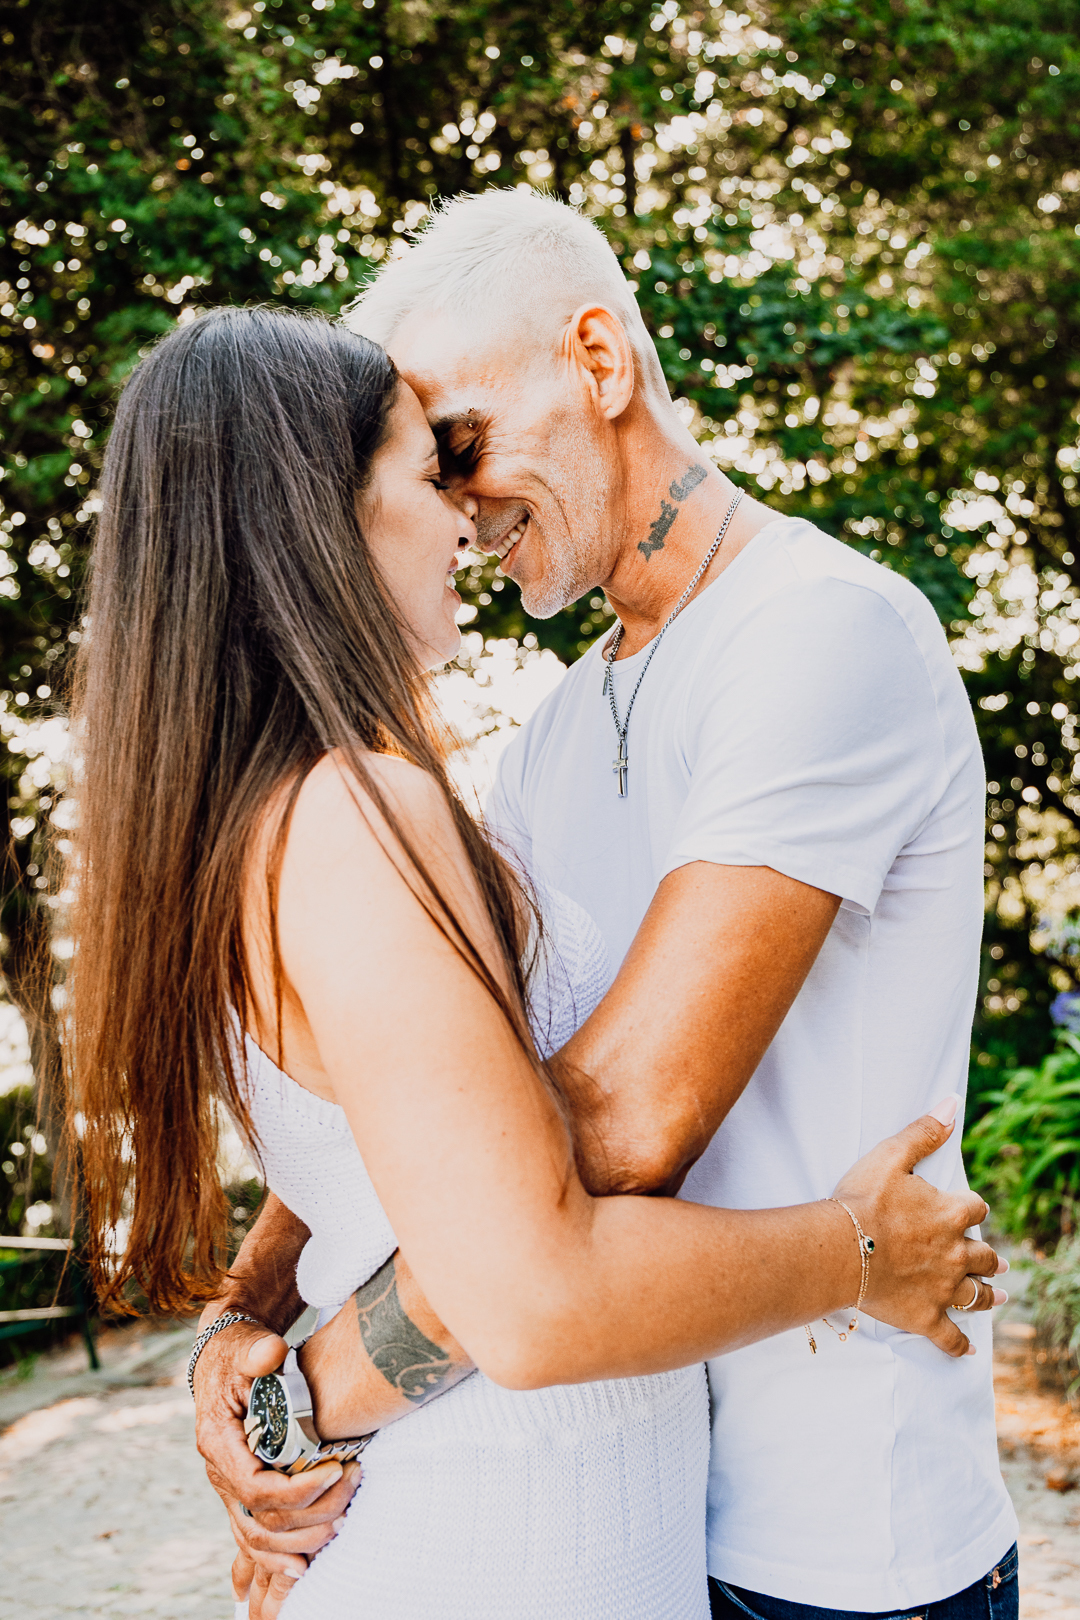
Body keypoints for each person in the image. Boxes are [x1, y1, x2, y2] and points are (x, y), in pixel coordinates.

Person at [66, 302, 997, 1620]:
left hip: (573, 1524)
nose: (461, 513)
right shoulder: (362, 813)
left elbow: (397, 1131)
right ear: (320, 518)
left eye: (465, 450)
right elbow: (532, 1282)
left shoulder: (268, 816)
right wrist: (860, 1254)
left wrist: (256, 1347)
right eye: (425, 467)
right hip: (498, 1539)